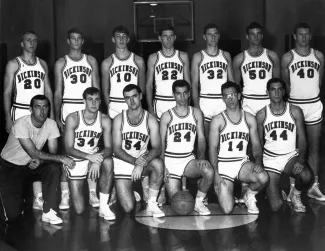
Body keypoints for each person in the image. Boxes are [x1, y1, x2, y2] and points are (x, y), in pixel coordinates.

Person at [0, 95, 74, 224]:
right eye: (38, 107)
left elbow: (52, 153)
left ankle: (48, 210)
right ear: (30, 109)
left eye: (45, 107)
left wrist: (42, 161)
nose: (42, 111)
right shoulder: (21, 124)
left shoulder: (51, 124)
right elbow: (33, 152)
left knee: (53, 168)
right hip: (10, 167)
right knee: (11, 216)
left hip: (30, 165)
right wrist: (61, 158)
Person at [3, 31, 55, 211]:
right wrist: (8, 118)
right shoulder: (13, 64)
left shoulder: (43, 64)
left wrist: (53, 117)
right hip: (20, 112)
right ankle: (20, 195)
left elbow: (48, 91)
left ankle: (37, 196)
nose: (32, 43)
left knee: (37, 154)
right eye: (28, 40)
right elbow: (7, 92)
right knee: (20, 156)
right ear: (22, 43)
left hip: (40, 113)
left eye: (35, 40)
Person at [233, 22, 280, 203]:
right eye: (252, 34)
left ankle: (270, 182)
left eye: (259, 33)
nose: (255, 37)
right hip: (248, 102)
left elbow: (277, 83)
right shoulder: (239, 59)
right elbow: (236, 87)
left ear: (262, 35)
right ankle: (246, 184)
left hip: (267, 101)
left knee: (268, 141)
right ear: (247, 36)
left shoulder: (272, 56)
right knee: (247, 144)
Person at [54, 28, 101, 210]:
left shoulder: (90, 60)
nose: (76, 41)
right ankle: (65, 194)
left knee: (91, 148)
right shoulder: (61, 62)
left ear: (82, 41)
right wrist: (57, 115)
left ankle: (92, 191)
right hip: (69, 108)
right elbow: (58, 91)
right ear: (68, 41)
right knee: (68, 153)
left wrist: (99, 112)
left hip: (88, 106)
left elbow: (96, 88)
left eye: (79, 38)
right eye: (72, 38)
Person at [209, 81, 269, 214]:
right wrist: (216, 174)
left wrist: (258, 161)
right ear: (223, 98)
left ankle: (249, 195)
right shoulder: (217, 120)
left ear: (239, 96)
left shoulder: (249, 118)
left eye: (233, 95)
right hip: (223, 165)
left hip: (241, 163)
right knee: (227, 209)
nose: (230, 98)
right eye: (226, 96)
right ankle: (229, 193)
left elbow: (256, 145)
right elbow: (212, 148)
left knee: (263, 177)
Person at [281, 22, 325, 201]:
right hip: (295, 105)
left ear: (311, 35)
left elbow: (319, 82)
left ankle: (314, 186)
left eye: (307, 34)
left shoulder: (319, 56)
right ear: (294, 36)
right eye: (300, 34)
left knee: (314, 148)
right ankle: (293, 188)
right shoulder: (287, 58)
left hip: (313, 104)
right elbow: (286, 84)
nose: (304, 37)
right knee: (295, 150)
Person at [256, 78, 313, 212]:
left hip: (290, 156)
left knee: (306, 176)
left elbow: (303, 138)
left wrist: (300, 159)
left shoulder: (294, 110)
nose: (276, 93)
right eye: (273, 90)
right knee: (276, 207)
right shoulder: (261, 114)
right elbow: (258, 142)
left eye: (279, 89)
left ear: (284, 91)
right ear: (267, 92)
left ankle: (295, 194)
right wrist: (259, 162)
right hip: (270, 159)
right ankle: (274, 189)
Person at [160, 80, 214, 215]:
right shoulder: (167, 116)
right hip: (170, 162)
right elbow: (160, 143)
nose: (182, 97)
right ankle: (161, 189)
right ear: (173, 95)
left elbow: (201, 138)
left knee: (208, 171)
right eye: (178, 94)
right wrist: (162, 166)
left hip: (188, 160)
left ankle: (199, 202)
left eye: (185, 93)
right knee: (178, 205)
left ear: (189, 93)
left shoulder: (196, 113)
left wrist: (201, 157)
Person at [112, 84, 165, 217]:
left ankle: (152, 203)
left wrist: (141, 163)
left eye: (134, 96)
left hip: (141, 162)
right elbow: (116, 150)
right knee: (129, 208)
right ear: (125, 100)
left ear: (140, 96)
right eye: (127, 98)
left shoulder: (150, 120)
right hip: (123, 163)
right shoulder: (119, 119)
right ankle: (123, 188)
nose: (132, 101)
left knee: (158, 164)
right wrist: (136, 162)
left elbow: (157, 148)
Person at [64, 87, 115, 219]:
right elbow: (68, 148)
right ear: (84, 101)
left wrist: (97, 160)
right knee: (79, 210)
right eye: (90, 99)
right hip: (75, 158)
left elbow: (109, 148)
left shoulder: (105, 119)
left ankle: (104, 207)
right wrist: (89, 157)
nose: (94, 103)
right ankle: (66, 189)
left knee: (108, 161)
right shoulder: (73, 118)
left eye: (97, 100)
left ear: (100, 102)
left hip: (93, 156)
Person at [191, 23, 235, 136]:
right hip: (205, 101)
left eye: (215, 34)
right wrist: (196, 105)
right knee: (204, 139)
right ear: (204, 37)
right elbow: (194, 84)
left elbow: (232, 82)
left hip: (223, 101)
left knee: (224, 138)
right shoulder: (198, 56)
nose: (213, 37)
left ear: (219, 36)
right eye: (210, 34)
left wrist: (234, 102)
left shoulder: (226, 55)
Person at [146, 25, 191, 120]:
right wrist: (150, 107)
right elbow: (149, 85)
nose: (168, 38)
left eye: (171, 35)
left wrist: (188, 102)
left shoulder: (183, 56)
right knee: (161, 134)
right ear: (160, 38)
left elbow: (188, 83)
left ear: (175, 37)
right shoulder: (153, 58)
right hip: (160, 102)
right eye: (165, 36)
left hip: (179, 101)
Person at [101, 25, 146, 119]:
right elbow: (105, 91)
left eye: (124, 36)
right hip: (115, 107)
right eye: (118, 36)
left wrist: (137, 106)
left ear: (128, 39)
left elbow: (142, 89)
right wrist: (110, 106)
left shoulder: (138, 61)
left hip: (133, 106)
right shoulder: (107, 63)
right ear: (113, 39)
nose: (121, 39)